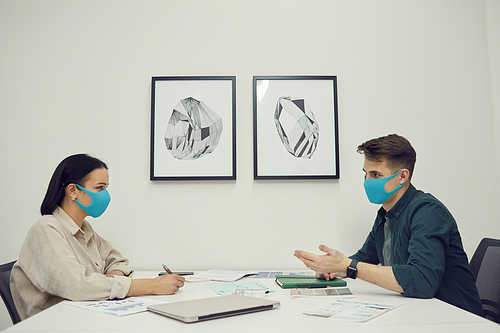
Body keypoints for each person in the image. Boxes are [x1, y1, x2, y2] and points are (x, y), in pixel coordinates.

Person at [294, 134, 484, 317]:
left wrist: (348, 266)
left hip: (457, 318)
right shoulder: (386, 215)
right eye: (366, 173)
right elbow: (363, 259)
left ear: (402, 176)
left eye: (376, 174)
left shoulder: (428, 211)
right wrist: (331, 267)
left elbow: (423, 281)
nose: (367, 181)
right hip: (419, 313)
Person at [10, 154, 185, 320]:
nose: (105, 195)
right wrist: (151, 286)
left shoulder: (84, 229)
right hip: (54, 323)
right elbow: (77, 286)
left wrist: (110, 280)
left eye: (106, 188)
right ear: (73, 190)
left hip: (84, 315)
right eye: (99, 188)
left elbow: (116, 260)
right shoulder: (46, 228)